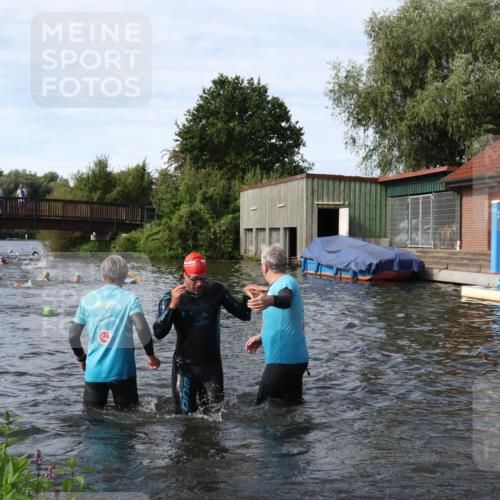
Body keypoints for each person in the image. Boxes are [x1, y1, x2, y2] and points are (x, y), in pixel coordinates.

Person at [153, 251, 251, 414]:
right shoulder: (170, 298)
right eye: (194, 279)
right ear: (184, 275)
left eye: (203, 278)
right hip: (184, 367)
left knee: (215, 416)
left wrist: (247, 295)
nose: (199, 283)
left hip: (211, 366)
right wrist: (173, 306)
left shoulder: (216, 291)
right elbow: (159, 333)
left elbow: (244, 315)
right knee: (184, 418)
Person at [69, 255, 161, 409]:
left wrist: (82, 358)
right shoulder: (130, 299)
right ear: (125, 276)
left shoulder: (87, 299)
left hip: (94, 372)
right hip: (123, 371)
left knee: (93, 422)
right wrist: (151, 356)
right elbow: (142, 328)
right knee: (128, 422)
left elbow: (72, 336)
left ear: (102, 275)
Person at [245, 244, 309, 404]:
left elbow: (285, 299)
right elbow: (287, 319)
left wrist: (269, 299)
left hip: (282, 362)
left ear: (264, 267)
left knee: (262, 409)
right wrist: (262, 337)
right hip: (293, 360)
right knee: (290, 409)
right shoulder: (280, 285)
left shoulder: (285, 283)